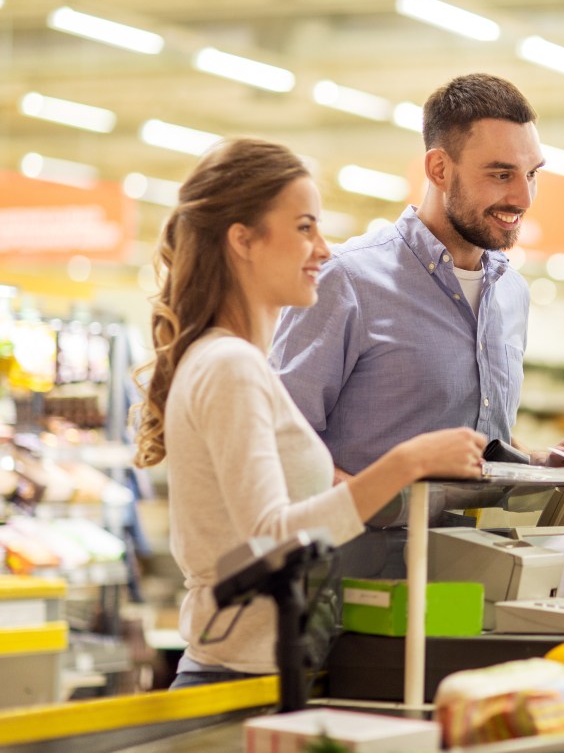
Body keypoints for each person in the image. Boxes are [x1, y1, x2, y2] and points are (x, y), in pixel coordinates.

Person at [132, 138, 486, 688]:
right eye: (304, 228)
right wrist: (406, 464)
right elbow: (270, 542)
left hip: (265, 671)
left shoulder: (234, 362)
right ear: (243, 240)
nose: (324, 248)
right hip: (238, 681)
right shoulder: (229, 365)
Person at [271, 73, 564, 578]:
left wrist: (537, 465)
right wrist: (389, 505)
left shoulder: (511, 294)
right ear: (439, 168)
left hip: (478, 583)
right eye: (500, 174)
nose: (524, 197)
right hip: (355, 592)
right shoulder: (348, 279)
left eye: (532, 173)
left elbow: (476, 447)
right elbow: (281, 448)